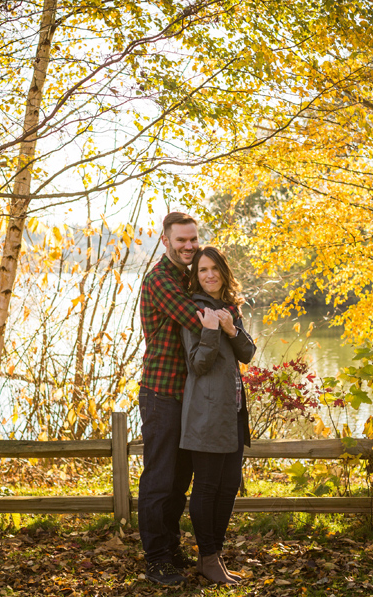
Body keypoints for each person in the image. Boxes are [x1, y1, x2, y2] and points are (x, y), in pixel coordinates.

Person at [137, 212, 239, 585]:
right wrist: (229, 317)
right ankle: (157, 558)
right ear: (165, 241)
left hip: (191, 398)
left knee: (180, 482)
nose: (189, 246)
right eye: (181, 240)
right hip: (162, 392)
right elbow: (196, 317)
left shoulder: (187, 275)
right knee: (160, 480)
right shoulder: (161, 281)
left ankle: (173, 548)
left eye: (193, 239)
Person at [180, 246, 256, 584]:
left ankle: (215, 557)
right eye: (202, 270)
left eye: (214, 269)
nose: (209, 275)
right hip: (206, 414)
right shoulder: (196, 310)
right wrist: (211, 330)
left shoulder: (230, 310)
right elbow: (197, 363)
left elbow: (249, 353)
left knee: (228, 488)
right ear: (196, 277)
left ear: (224, 272)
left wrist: (230, 328)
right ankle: (207, 558)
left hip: (234, 412)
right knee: (207, 487)